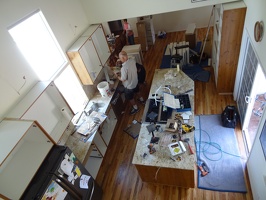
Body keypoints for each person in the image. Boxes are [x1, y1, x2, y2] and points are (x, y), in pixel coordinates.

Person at [115, 51, 145, 115]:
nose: (120, 59)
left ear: (123, 58)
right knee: (137, 91)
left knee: (130, 98)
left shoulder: (124, 68)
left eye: (120, 58)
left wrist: (117, 76)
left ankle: (136, 108)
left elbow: (123, 79)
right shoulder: (132, 61)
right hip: (135, 81)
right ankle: (142, 100)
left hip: (129, 86)